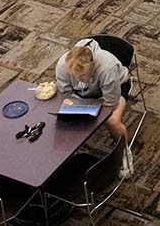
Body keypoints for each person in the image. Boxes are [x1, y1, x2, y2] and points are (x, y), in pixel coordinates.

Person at [55, 39, 133, 177]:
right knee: (64, 115)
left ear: (92, 68)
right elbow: (66, 93)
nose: (78, 79)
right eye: (75, 76)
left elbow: (111, 102)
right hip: (83, 94)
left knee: (112, 121)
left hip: (115, 90)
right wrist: (79, 107)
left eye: (82, 76)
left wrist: (90, 109)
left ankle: (124, 152)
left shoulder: (107, 67)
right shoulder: (63, 64)